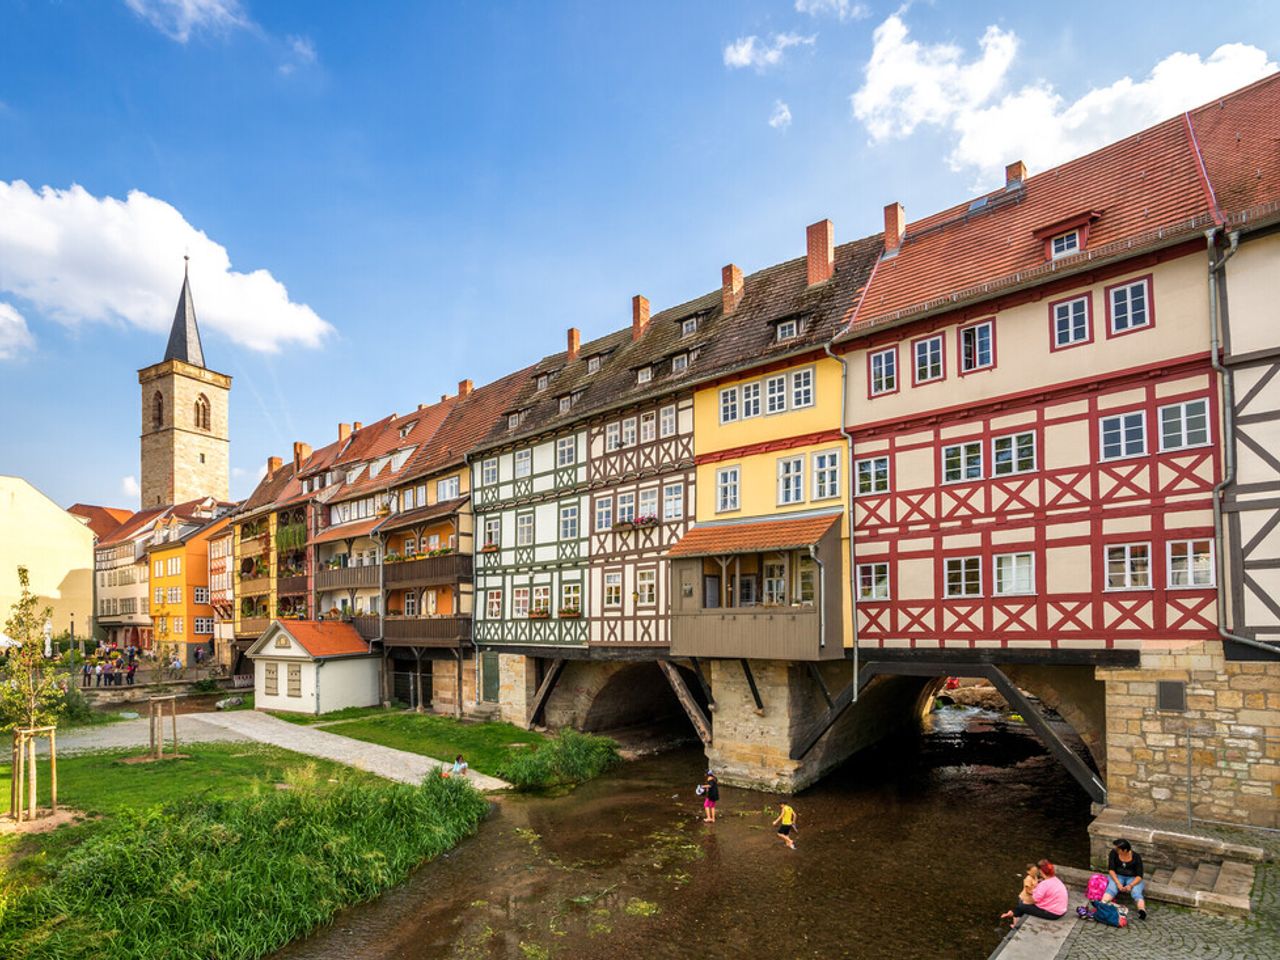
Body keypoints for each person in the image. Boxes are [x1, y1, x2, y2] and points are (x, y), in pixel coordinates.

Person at [1000, 860, 1068, 926]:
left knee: (1022, 905)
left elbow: (1035, 900)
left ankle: (1014, 915)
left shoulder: (1044, 884)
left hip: (1053, 914)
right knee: (1024, 904)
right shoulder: (1056, 880)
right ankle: (1014, 913)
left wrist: (1025, 902)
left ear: (1041, 872)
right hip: (1061, 910)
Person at [1103, 838, 1147, 920]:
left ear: (1125, 850)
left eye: (1118, 849)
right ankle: (1103, 904)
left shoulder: (1136, 857)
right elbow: (1111, 870)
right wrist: (1118, 883)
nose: (1116, 850)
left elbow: (1139, 876)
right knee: (1112, 888)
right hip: (1117, 876)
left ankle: (1142, 910)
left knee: (1136, 892)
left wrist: (1130, 885)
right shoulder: (1113, 853)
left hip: (1133, 878)